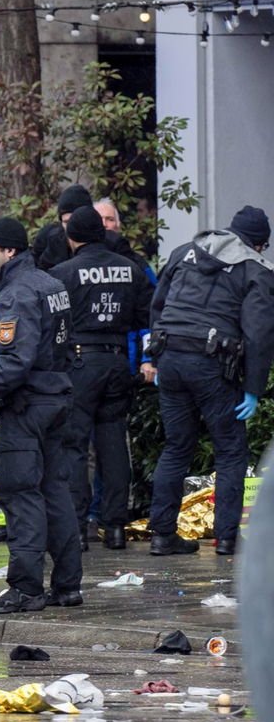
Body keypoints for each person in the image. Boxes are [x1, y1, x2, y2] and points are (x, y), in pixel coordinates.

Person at [0, 218, 81, 614]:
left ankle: (26, 588)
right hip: (56, 399)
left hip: (25, 407)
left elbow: (15, 363)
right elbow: (66, 346)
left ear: (10, 251)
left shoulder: (14, 295)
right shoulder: (52, 285)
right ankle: (67, 586)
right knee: (55, 491)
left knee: (20, 495)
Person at [146, 206, 274, 558]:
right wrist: (253, 388)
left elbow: (158, 306)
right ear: (259, 244)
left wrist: (156, 360)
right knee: (231, 451)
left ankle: (161, 535)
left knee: (175, 448)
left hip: (171, 359)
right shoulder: (255, 268)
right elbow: (260, 333)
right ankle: (228, 538)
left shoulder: (183, 252)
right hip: (213, 364)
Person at [48, 206, 152, 550]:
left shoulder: (62, 273)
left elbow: (54, 326)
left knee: (74, 446)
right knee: (113, 444)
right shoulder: (131, 270)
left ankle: (77, 530)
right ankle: (116, 527)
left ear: (71, 237)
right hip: (118, 360)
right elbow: (145, 318)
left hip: (79, 363)